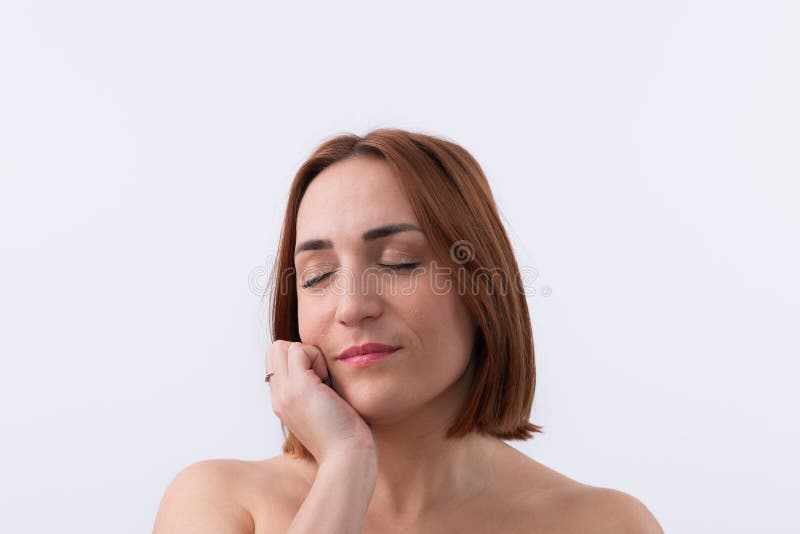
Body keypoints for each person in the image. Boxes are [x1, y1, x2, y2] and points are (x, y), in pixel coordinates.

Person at [153, 128, 663, 533]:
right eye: (317, 276)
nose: (352, 306)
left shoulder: (603, 524)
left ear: (480, 287)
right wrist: (345, 469)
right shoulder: (221, 503)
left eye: (398, 263)